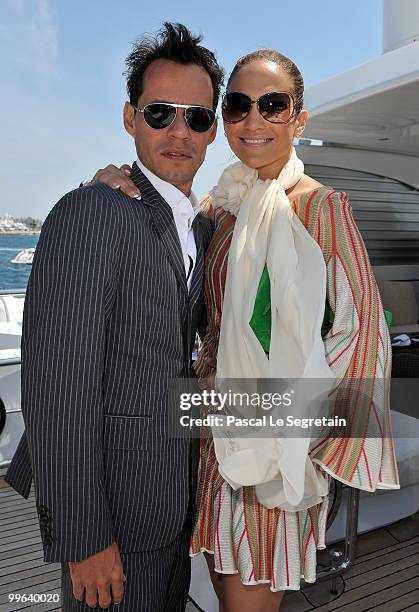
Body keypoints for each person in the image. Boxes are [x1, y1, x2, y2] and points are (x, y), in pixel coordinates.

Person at [93, 48, 400, 612]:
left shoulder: (321, 209)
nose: (253, 120)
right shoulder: (220, 209)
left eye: (272, 105)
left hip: (272, 455)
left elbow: (363, 343)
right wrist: (111, 188)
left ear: (298, 119)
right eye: (236, 105)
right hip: (212, 447)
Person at [5, 23, 224, 611]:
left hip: (176, 506)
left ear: (213, 129)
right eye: (161, 113)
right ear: (130, 119)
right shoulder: (91, 212)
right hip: (114, 524)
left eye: (197, 117)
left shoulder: (200, 227)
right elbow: (57, 390)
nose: (180, 132)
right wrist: (85, 538)